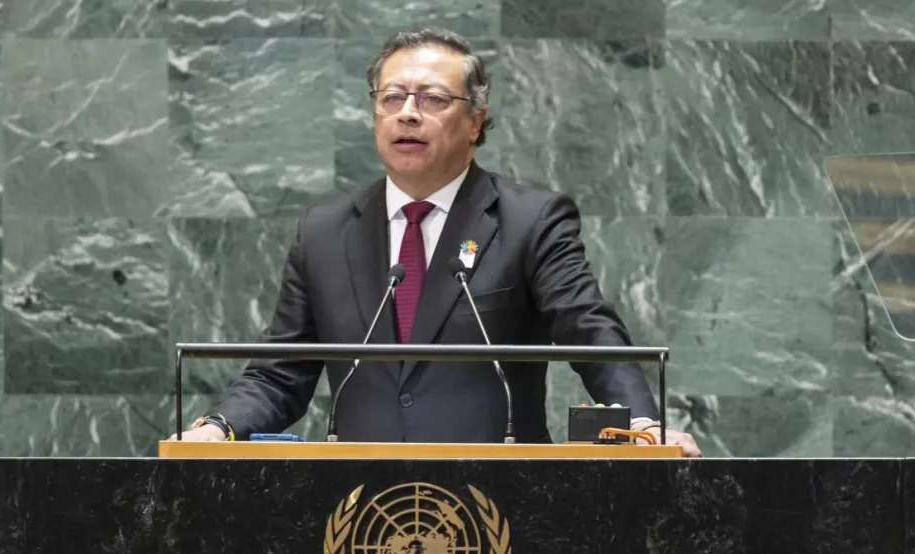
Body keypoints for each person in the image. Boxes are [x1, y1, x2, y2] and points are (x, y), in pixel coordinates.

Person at [170, 27, 702, 457]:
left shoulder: (529, 220)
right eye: (392, 97)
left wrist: (643, 425)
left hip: (504, 502)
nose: (407, 112)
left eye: (432, 99)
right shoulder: (324, 231)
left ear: (475, 121)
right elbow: (281, 371)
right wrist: (219, 427)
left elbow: (588, 330)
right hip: (358, 511)